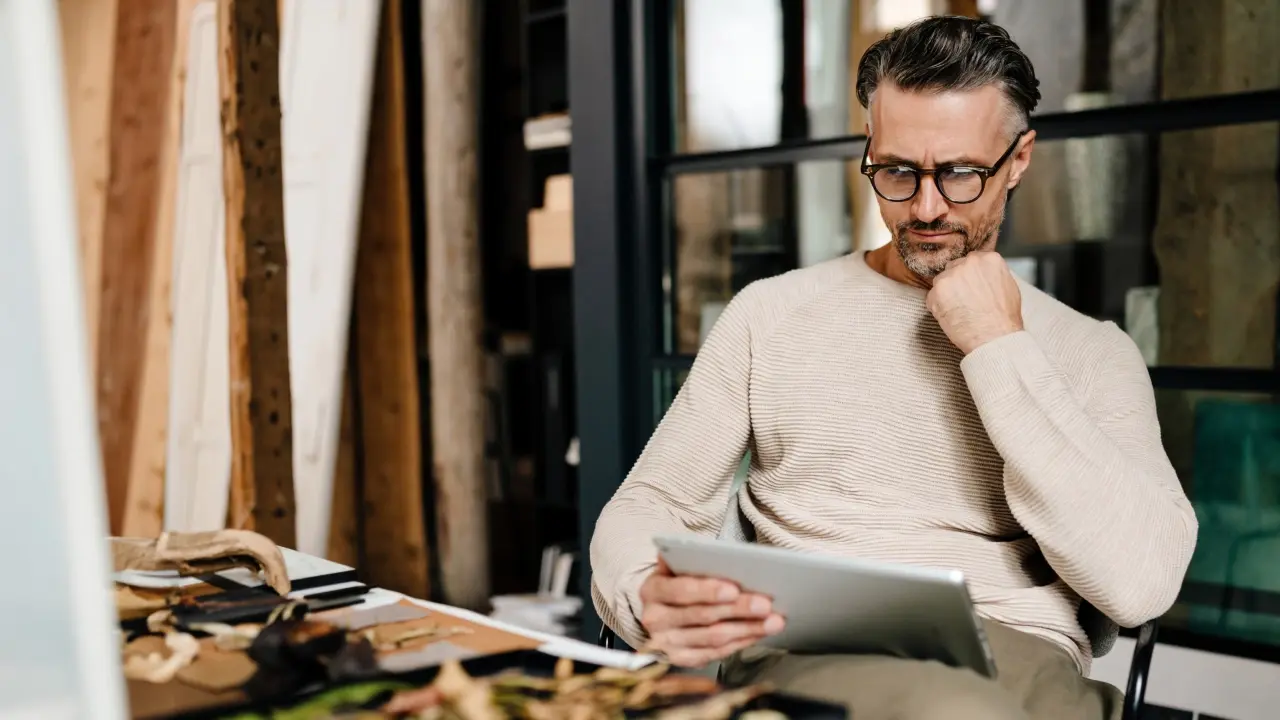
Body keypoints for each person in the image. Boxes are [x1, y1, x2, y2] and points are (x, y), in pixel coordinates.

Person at [589, 15, 1198, 720]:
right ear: (869, 151)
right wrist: (643, 590)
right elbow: (649, 501)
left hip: (1022, 658)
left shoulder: (1092, 352)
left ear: (1019, 159)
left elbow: (1141, 584)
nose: (927, 207)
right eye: (898, 172)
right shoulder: (771, 314)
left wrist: (998, 346)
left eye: (962, 173)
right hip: (810, 647)